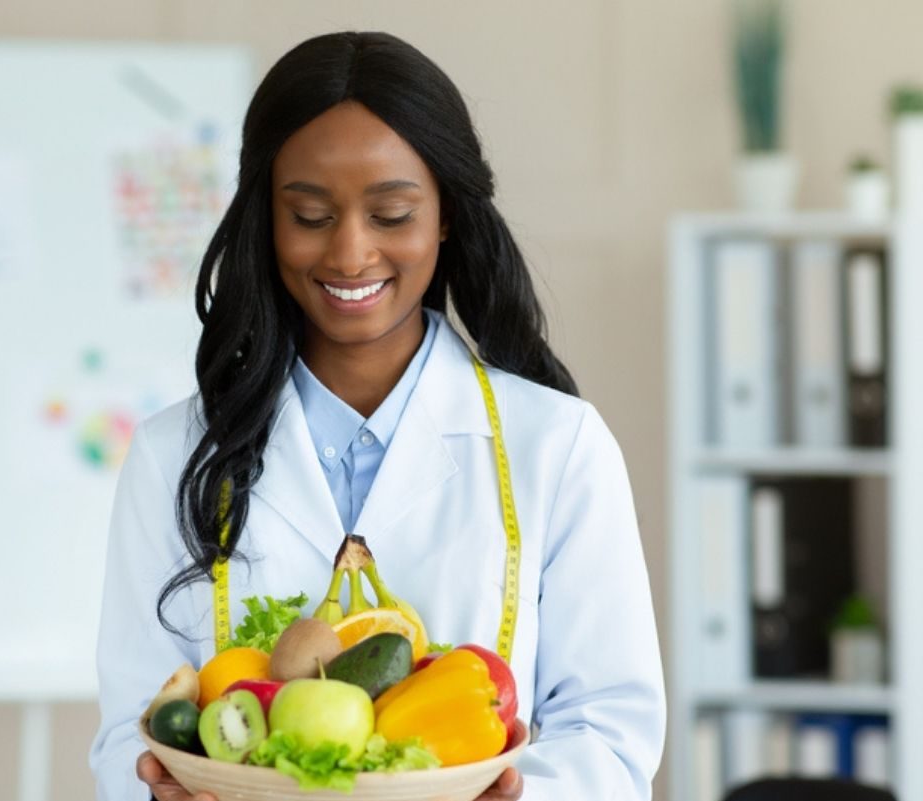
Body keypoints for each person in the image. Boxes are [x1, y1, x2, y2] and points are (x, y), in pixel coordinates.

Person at [90, 30, 665, 801]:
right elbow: (131, 734)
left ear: (448, 215)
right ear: (266, 217)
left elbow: (612, 734)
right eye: (310, 213)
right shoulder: (173, 457)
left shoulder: (558, 448)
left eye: (392, 213)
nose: (352, 253)